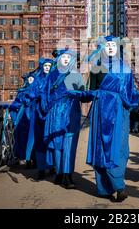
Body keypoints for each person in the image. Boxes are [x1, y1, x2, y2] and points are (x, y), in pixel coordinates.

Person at [80, 35, 139, 202]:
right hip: (101, 110)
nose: (111, 47)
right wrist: (80, 94)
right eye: (107, 45)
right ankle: (108, 188)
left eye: (114, 45)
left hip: (120, 110)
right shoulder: (96, 67)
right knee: (101, 146)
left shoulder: (126, 68)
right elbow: (90, 90)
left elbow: (131, 91)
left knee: (119, 147)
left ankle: (117, 184)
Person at [41, 48, 85, 189]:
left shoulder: (76, 75)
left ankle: (67, 175)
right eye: (63, 56)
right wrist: (46, 110)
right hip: (56, 113)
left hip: (72, 111)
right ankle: (60, 173)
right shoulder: (52, 75)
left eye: (69, 57)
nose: (66, 59)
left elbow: (83, 95)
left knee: (69, 144)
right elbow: (45, 94)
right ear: (58, 58)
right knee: (57, 144)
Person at [31, 58, 55, 180]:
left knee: (50, 139)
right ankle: (41, 168)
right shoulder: (37, 79)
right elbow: (31, 93)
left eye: (49, 66)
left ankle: (51, 166)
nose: (47, 68)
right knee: (40, 140)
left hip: (51, 113)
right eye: (45, 65)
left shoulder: (54, 78)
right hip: (39, 113)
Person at [8, 71, 37, 167]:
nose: (31, 80)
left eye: (32, 79)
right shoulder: (22, 91)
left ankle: (33, 159)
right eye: (29, 79)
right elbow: (15, 104)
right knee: (21, 136)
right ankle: (22, 157)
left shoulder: (38, 90)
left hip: (34, 116)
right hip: (23, 117)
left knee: (34, 137)